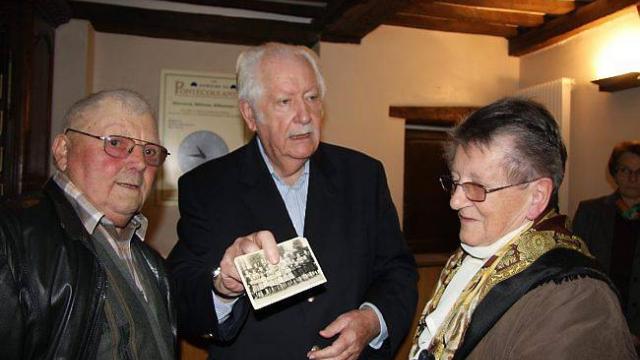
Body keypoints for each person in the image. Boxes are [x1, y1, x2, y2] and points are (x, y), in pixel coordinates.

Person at [167, 42, 418, 360]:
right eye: (285, 102)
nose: (304, 116)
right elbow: (182, 296)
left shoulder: (363, 176)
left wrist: (372, 320)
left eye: (312, 98)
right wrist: (223, 287)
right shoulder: (207, 188)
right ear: (250, 114)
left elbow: (397, 271)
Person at [408, 98, 636, 360]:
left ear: (537, 196)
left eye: (477, 187)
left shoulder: (577, 299)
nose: (455, 201)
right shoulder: (471, 254)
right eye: (456, 181)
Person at [0, 90, 176, 359]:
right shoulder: (12, 239)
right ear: (63, 151)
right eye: (116, 142)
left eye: (150, 151)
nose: (140, 163)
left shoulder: (151, 262)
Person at [573, 141, 640, 342]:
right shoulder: (590, 212)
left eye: (639, 171)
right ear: (614, 173)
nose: (633, 177)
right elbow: (575, 269)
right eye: (625, 170)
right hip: (596, 321)